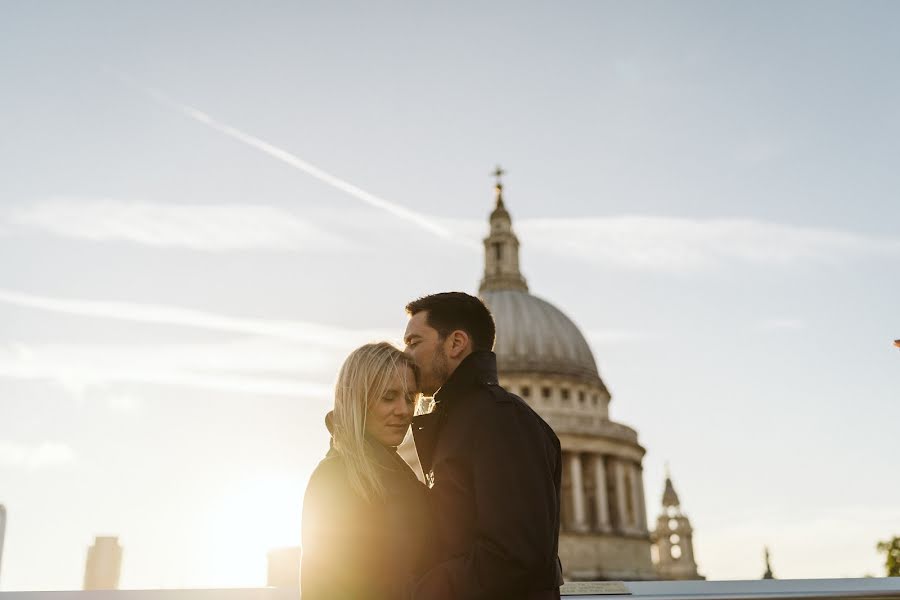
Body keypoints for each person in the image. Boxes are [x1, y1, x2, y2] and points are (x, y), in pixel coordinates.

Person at [404, 292, 563, 600]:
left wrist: (417, 590)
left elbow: (515, 555)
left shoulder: (501, 421)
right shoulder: (464, 419)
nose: (405, 355)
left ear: (456, 343)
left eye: (414, 342)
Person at [301, 342, 434, 599]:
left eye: (410, 398)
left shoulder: (396, 471)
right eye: (388, 397)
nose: (404, 411)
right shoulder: (335, 477)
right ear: (357, 401)